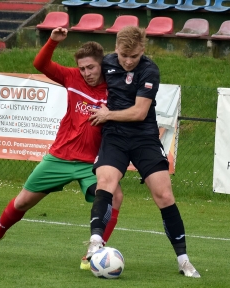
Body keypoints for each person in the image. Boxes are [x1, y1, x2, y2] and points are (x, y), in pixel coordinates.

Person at [0, 28, 123, 271]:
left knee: (115, 197)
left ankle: (93, 253)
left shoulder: (115, 89)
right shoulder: (72, 78)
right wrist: (52, 41)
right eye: (83, 68)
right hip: (58, 158)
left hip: (91, 164)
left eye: (91, 68)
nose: (86, 73)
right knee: (22, 202)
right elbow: (40, 63)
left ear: (101, 65)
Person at [85, 26, 200, 278]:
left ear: (142, 50)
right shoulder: (106, 64)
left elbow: (138, 112)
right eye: (124, 55)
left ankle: (184, 260)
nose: (128, 61)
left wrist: (107, 114)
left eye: (134, 56)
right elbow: (83, 80)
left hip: (144, 137)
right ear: (116, 49)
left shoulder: (149, 70)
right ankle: (95, 241)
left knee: (164, 195)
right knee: (106, 183)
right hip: (114, 137)